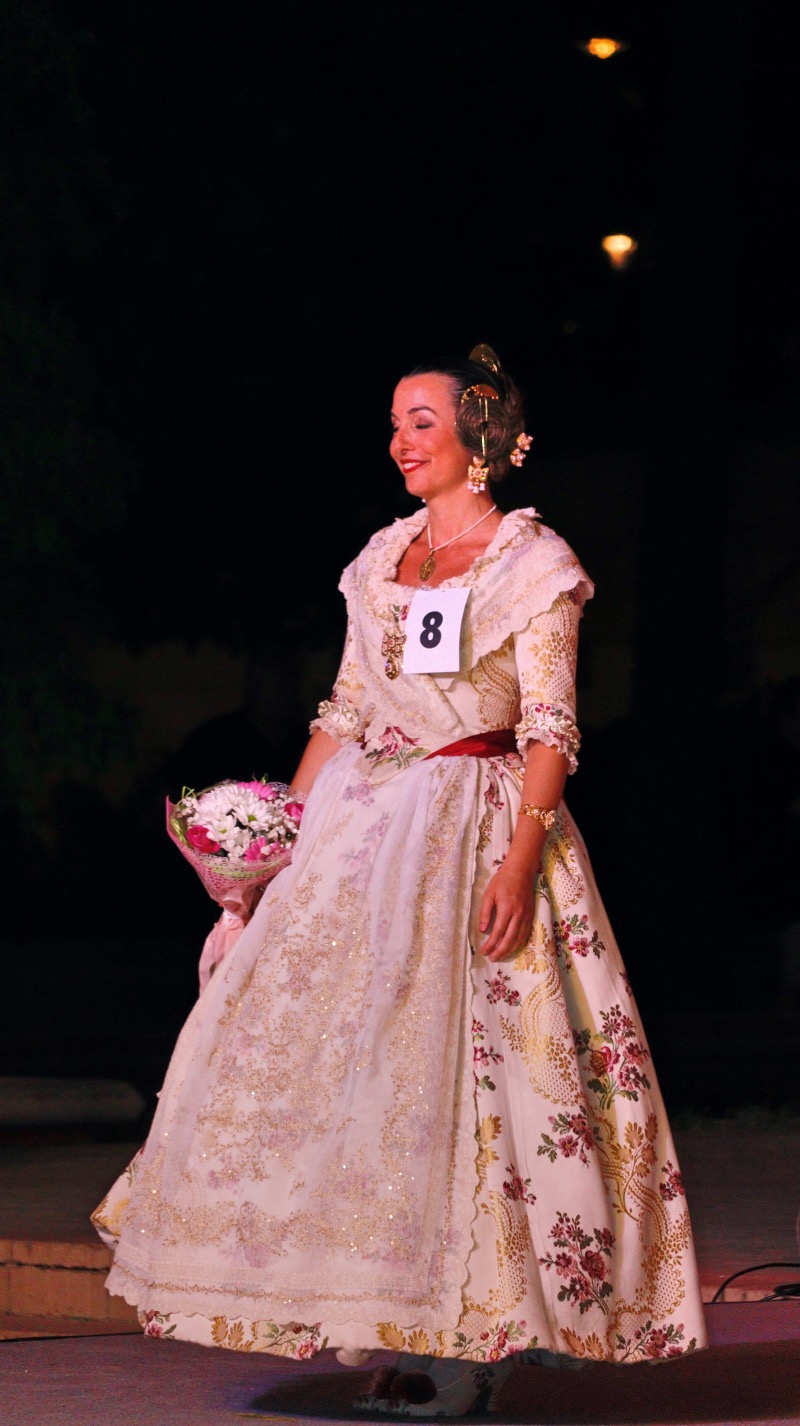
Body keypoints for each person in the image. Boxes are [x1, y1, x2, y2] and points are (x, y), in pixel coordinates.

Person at [93, 346, 707, 1415]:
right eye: (393, 422)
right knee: (353, 1075)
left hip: (475, 824)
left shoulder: (531, 562)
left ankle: (469, 1343)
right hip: (362, 830)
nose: (399, 442)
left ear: (480, 435)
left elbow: (550, 726)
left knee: (471, 1085)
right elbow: (343, 710)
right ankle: (390, 1318)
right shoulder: (383, 556)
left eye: (420, 421)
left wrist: (521, 856)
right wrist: (275, 840)